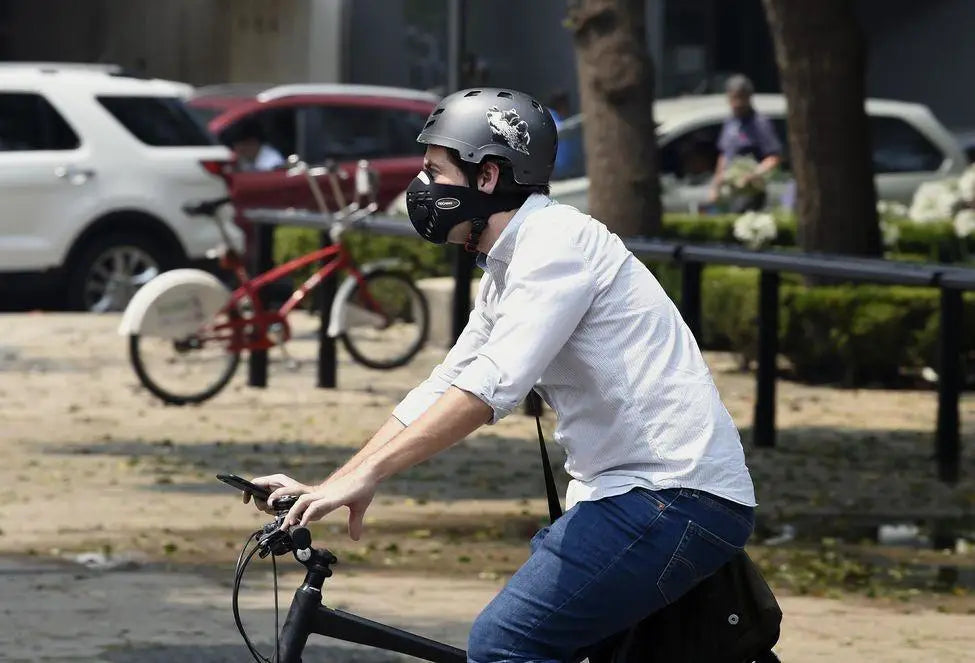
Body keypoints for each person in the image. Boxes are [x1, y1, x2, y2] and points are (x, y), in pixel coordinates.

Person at [245, 88, 757, 663]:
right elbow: (446, 383)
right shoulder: (508, 266)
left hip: (672, 497)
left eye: (435, 171)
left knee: (505, 643)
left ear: (487, 177)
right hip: (633, 499)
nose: (421, 187)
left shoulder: (557, 245)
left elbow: (490, 388)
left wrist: (370, 474)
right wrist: (338, 482)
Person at [709, 74, 782, 212]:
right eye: (733, 98)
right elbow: (724, 155)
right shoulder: (730, 122)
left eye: (741, 97)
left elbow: (774, 157)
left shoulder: (760, 123)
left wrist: (754, 173)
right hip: (730, 190)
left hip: (751, 191)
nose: (737, 103)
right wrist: (716, 185)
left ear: (749, 97)